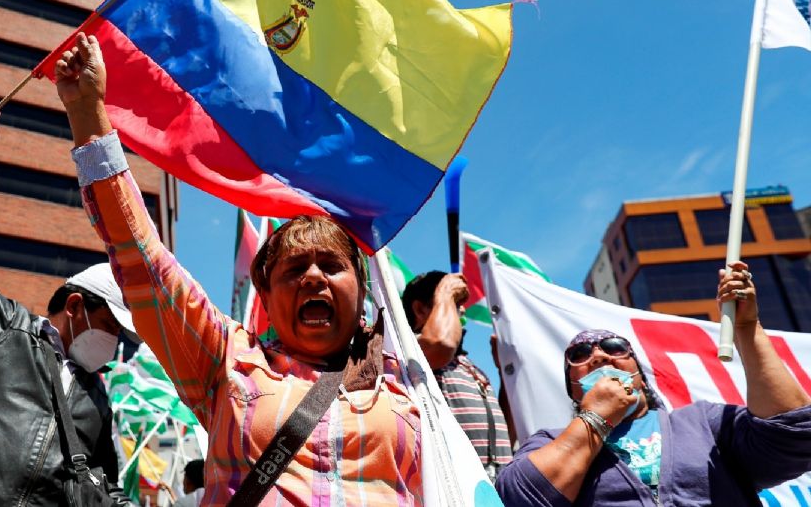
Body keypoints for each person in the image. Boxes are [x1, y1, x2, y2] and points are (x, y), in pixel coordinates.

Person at [56, 33, 423, 504]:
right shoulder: (226, 359)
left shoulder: (409, 381)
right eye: (294, 270)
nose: (313, 277)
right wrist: (88, 113)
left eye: (331, 266)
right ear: (265, 299)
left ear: (363, 289)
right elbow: (142, 258)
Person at [0, 109, 136, 506]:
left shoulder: (98, 399)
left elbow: (102, 485)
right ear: (75, 305)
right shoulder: (0, 327)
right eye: (110, 324)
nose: (114, 340)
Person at [495, 261, 811, 506]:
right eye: (580, 354)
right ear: (573, 389)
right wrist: (596, 418)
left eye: (615, 348)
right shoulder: (548, 442)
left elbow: (792, 432)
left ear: (640, 375)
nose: (600, 356)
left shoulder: (702, 422)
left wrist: (746, 326)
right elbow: (518, 497)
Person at [402, 271, 513, 480]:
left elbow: (506, 437)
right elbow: (441, 343)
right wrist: (446, 291)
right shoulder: (412, 354)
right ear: (419, 309)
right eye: (455, 303)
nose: (462, 310)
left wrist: (503, 373)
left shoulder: (470, 368)